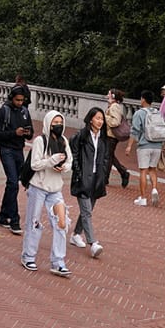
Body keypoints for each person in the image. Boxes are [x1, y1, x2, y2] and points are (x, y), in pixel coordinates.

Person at [21, 110, 74, 277]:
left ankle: (58, 262)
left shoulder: (64, 140)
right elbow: (34, 164)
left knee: (61, 223)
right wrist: (51, 161)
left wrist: (63, 166)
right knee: (34, 222)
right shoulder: (40, 141)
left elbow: (70, 161)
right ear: (48, 123)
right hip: (38, 187)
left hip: (55, 189)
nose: (58, 125)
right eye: (54, 122)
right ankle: (28, 256)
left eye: (60, 122)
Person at [0, 87, 34, 235]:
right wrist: (13, 133)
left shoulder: (24, 112)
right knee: (12, 182)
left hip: (18, 149)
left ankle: (3, 215)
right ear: (11, 98)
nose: (20, 103)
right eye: (17, 100)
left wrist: (27, 133)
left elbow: (31, 133)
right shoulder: (3, 111)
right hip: (6, 149)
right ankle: (14, 220)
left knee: (14, 183)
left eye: (22, 100)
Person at [69, 106, 109, 259]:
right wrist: (78, 172)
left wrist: (103, 175)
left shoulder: (103, 138)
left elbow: (105, 158)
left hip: (96, 179)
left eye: (102, 119)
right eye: (97, 118)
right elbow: (74, 155)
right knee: (86, 211)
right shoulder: (82, 136)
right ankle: (93, 243)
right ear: (90, 119)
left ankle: (76, 234)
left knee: (87, 210)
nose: (100, 121)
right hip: (83, 178)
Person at [126, 90, 163, 206]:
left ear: (143, 99)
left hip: (144, 145)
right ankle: (155, 189)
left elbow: (134, 131)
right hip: (157, 145)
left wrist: (129, 146)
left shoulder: (139, 113)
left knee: (143, 171)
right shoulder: (158, 113)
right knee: (152, 170)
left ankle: (142, 198)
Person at [103, 89, 132, 188]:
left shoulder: (114, 107)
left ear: (113, 96)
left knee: (108, 157)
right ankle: (121, 173)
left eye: (109, 94)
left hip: (111, 136)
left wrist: (104, 117)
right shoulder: (113, 106)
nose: (107, 95)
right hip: (110, 135)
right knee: (109, 156)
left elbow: (115, 122)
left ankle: (108, 178)